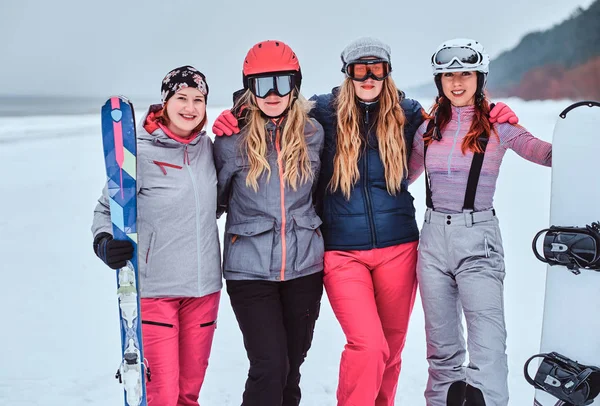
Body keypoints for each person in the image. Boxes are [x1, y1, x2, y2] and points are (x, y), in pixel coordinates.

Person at [213, 37, 518, 406]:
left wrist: (494, 111)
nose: (369, 77)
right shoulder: (322, 112)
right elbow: (276, 110)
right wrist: (238, 111)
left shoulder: (408, 113)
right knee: (368, 345)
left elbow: (453, 118)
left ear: (387, 73)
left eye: (377, 69)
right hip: (343, 250)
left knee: (390, 350)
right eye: (360, 69)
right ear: (348, 73)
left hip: (399, 246)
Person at [407, 38, 552, 406]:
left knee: (486, 348)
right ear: (440, 81)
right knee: (441, 353)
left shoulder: (499, 125)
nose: (457, 82)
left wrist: (584, 140)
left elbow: (543, 153)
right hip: (433, 242)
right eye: (449, 75)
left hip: (479, 241)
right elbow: (397, 176)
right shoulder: (426, 131)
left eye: (466, 74)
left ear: (479, 77)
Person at [91, 66, 222, 406]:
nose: (190, 107)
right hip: (155, 293)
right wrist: (104, 243)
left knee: (188, 394)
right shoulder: (140, 154)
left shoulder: (210, 150)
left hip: (204, 290)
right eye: (181, 98)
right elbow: (106, 210)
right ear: (165, 102)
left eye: (198, 99)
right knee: (161, 395)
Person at [213, 40, 325, 406]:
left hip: (305, 268)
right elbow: (210, 200)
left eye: (282, 81)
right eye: (262, 84)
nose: (273, 93)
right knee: (269, 366)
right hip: (249, 272)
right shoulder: (231, 141)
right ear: (250, 88)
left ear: (295, 84)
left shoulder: (314, 134)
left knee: (291, 369)